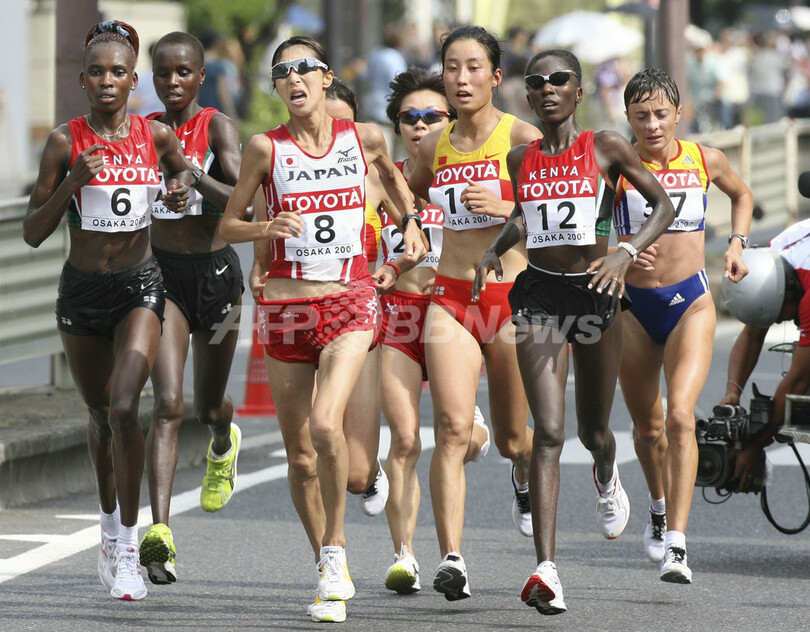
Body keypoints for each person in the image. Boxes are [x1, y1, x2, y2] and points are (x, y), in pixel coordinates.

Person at [218, 36, 425, 623]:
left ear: (327, 77)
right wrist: (265, 232)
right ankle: (326, 563)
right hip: (286, 309)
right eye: (282, 72)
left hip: (352, 300)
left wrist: (411, 227)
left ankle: (335, 551)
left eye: (304, 67)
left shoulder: (365, 138)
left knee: (325, 422)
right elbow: (229, 224)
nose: (294, 78)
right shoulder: (265, 149)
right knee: (302, 457)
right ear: (278, 88)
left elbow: (396, 186)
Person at [473, 49, 675, 615]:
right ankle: (547, 570)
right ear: (529, 96)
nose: (546, 89)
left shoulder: (607, 146)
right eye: (535, 83)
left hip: (598, 294)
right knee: (548, 432)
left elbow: (659, 204)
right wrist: (494, 248)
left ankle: (607, 474)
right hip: (538, 295)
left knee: (594, 431)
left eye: (559, 79)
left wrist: (625, 253)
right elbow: (526, 216)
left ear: (578, 91)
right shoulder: (520, 158)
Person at [22, 20, 190, 601]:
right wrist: (72, 182)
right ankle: (107, 521)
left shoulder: (157, 136)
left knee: (125, 407)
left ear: (133, 78)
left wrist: (177, 194)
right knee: (98, 415)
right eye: (96, 72)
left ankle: (126, 541)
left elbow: (182, 185)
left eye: (118, 71)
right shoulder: (66, 141)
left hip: (140, 287)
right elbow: (31, 233)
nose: (107, 81)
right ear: (83, 80)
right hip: (82, 294)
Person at [407, 24, 541, 601]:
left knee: (514, 438)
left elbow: (569, 215)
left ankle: (522, 471)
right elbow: (408, 189)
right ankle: (452, 558)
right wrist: (412, 223)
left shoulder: (522, 135)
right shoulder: (434, 143)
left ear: (495, 75)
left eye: (472, 68)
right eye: (451, 68)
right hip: (450, 296)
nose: (461, 79)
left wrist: (509, 204)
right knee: (453, 429)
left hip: (508, 299)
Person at [614, 68, 753, 584]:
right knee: (647, 428)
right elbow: (586, 233)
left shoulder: (702, 159)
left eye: (661, 114)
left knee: (679, 417)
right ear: (627, 117)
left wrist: (737, 244)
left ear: (678, 113)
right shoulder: (616, 166)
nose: (652, 125)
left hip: (690, 303)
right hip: (632, 307)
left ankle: (677, 543)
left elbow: (742, 196)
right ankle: (656, 505)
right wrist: (618, 252)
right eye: (641, 115)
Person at [137, 31, 245, 586]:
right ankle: (160, 535)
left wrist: (192, 179)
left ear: (201, 76)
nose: (173, 82)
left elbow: (243, 197)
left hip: (219, 277)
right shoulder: (143, 130)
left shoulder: (218, 126)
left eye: (183, 72)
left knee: (206, 406)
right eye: (163, 73)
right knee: (169, 403)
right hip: (163, 277)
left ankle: (224, 440)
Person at [720, 221, 810, 489]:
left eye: (780, 314)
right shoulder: (771, 259)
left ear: (789, 293)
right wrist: (732, 393)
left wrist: (757, 442)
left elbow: (797, 382)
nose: (781, 322)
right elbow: (752, 333)